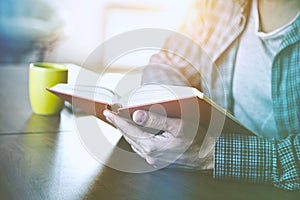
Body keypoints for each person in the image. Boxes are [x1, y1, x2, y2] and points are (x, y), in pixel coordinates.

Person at [103, 0, 300, 191]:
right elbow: (168, 63)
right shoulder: (214, 5)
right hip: (210, 182)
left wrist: (209, 155)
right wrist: (172, 113)